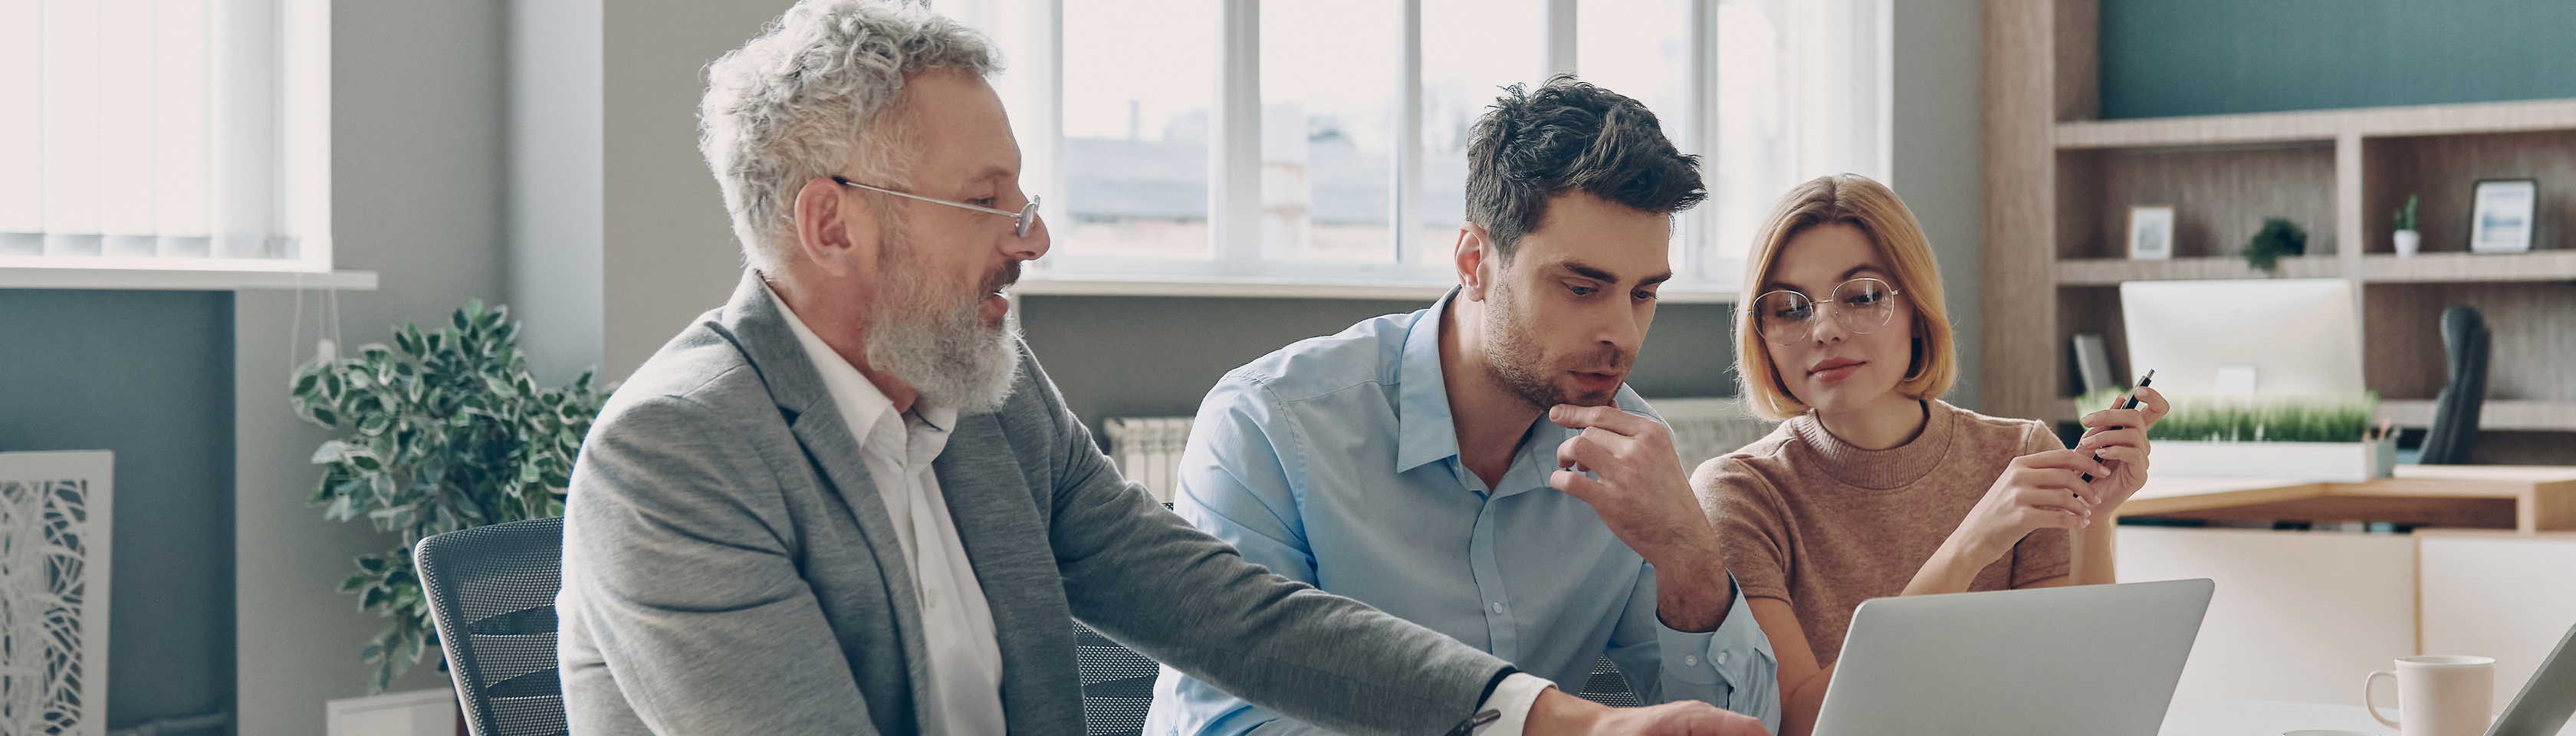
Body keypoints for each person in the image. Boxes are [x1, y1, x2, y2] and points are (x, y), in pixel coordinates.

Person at [552, 2, 1767, 734]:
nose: (1029, 241)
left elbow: (1222, 610)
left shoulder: (989, 399)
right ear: (832, 224)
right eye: (986, 204)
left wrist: (1546, 720)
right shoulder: (676, 456)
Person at [1145, 77, 1777, 736]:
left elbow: (1743, 726)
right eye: (1582, 287)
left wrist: (1690, 558)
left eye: (1643, 293)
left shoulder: (1627, 453)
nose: (1621, 333)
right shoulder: (1269, 425)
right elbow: (1233, 724)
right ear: (1475, 261)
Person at [1687, 174, 2169, 734]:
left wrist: (2094, 517)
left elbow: (2081, 699)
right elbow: (1800, 721)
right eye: (1789, 309)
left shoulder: (2020, 452)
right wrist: (1971, 544)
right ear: (1762, 335)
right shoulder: (1738, 494)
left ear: (1916, 309)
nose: (1824, 330)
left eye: (1861, 296)